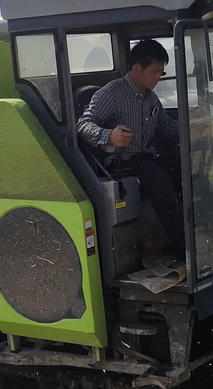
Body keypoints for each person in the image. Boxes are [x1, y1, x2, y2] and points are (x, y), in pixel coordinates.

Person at [76, 39, 184, 251]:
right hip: (119, 163)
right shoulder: (112, 93)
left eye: (161, 72)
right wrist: (109, 136)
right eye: (155, 72)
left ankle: (194, 231)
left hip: (144, 157)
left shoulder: (151, 98)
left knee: (182, 168)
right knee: (158, 178)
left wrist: (192, 128)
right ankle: (185, 248)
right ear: (136, 68)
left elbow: (164, 124)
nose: (159, 77)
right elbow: (83, 124)